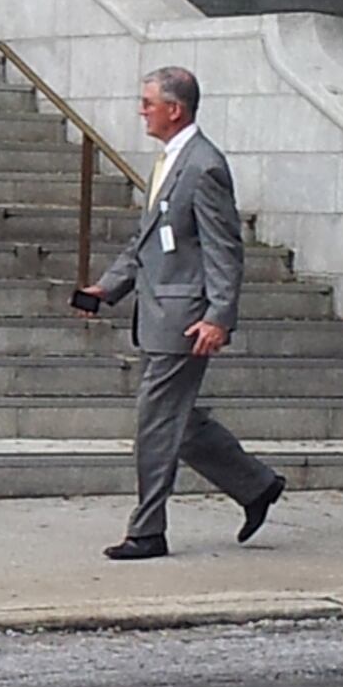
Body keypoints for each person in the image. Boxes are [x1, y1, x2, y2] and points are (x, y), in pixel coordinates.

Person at [74, 66, 284, 559]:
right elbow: (148, 242)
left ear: (175, 109)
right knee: (180, 423)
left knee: (155, 421)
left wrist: (219, 316)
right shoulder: (172, 160)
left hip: (184, 319)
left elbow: (224, 249)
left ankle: (147, 531)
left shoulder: (203, 165)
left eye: (148, 102)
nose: (141, 110)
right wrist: (107, 289)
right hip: (158, 313)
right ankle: (256, 485)